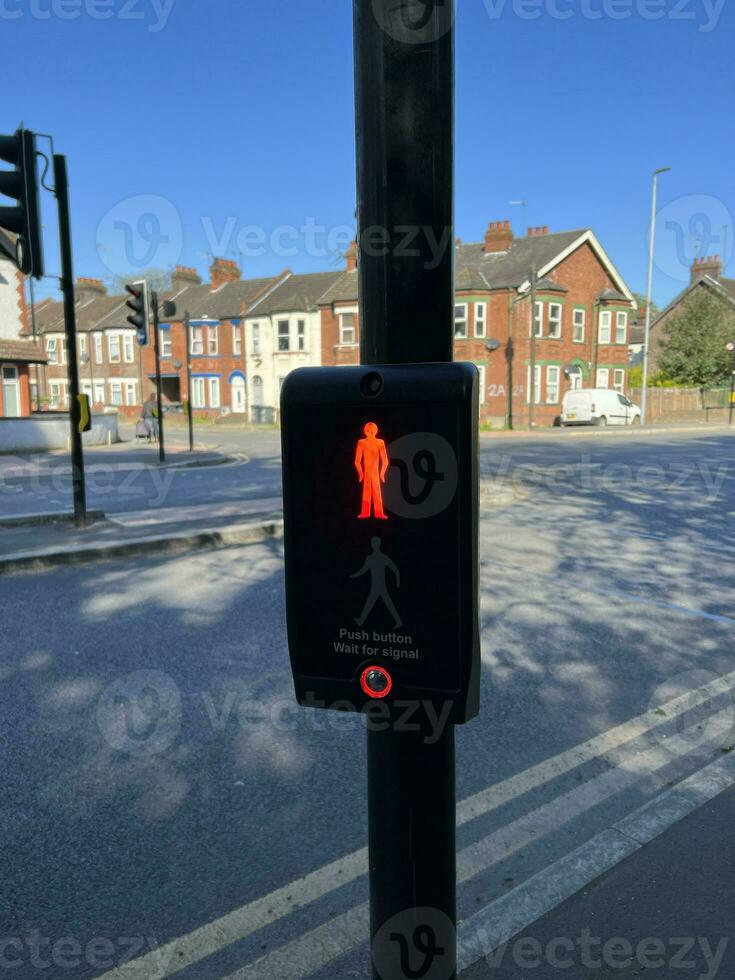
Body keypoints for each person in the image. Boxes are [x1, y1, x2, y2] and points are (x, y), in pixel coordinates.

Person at [354, 421, 389, 519]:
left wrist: (382, 474)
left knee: (377, 492)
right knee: (366, 492)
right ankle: (365, 513)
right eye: (368, 431)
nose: (370, 433)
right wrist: (361, 473)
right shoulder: (361, 442)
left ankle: (379, 513)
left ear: (376, 431)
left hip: (375, 473)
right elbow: (357, 460)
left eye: (372, 431)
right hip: (367, 472)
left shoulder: (380, 442)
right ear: (365, 431)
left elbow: (385, 460)